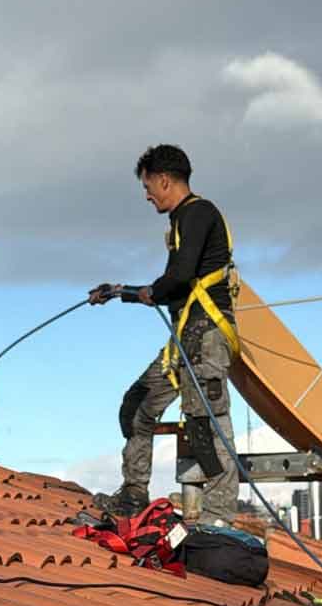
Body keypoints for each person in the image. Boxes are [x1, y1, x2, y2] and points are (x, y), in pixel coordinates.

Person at [91, 143, 240, 523]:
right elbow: (172, 284)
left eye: (147, 187)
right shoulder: (180, 221)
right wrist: (119, 292)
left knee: (204, 421)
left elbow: (179, 276)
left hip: (206, 336)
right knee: (138, 406)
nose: (146, 195)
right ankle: (133, 494)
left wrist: (150, 292)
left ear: (163, 180)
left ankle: (218, 516)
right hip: (185, 338)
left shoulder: (198, 213)